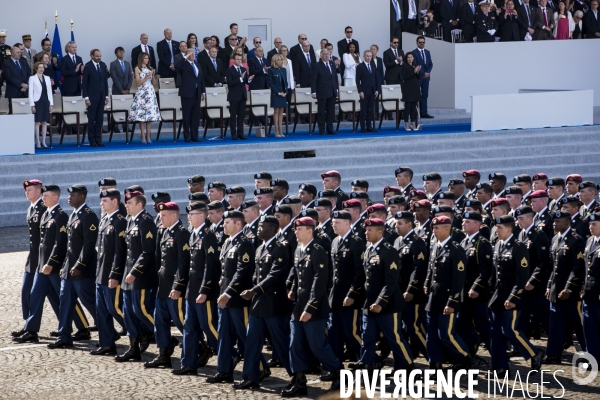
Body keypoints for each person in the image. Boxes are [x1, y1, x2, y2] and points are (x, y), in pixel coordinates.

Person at [282, 217, 343, 396]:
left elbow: (320, 281)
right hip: (298, 306)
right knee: (295, 345)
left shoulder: (317, 251)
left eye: (299, 229)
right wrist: (292, 289)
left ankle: (339, 373)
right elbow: (297, 274)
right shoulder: (299, 249)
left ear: (309, 230)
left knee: (318, 346)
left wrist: (310, 307)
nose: (296, 232)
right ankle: (300, 381)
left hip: (313, 308)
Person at [234, 216, 292, 389]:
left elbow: (275, 275)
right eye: (258, 226)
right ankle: (251, 376)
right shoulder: (259, 249)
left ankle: (297, 377)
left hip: (274, 303)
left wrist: (254, 290)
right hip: (258, 304)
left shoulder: (281, 248)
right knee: (252, 341)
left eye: (262, 226)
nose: (258, 229)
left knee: (281, 344)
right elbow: (256, 274)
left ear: (273, 228)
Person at [488, 215, 544, 376]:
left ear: (509, 229)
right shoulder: (498, 245)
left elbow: (522, 277)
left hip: (512, 298)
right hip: (498, 298)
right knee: (496, 334)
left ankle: (534, 353)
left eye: (500, 228)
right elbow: (494, 274)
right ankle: (500, 367)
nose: (496, 231)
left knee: (509, 330)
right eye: (496, 228)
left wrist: (513, 298)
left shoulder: (519, 247)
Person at [48, 185, 99, 349]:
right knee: (65, 302)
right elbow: (70, 247)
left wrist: (79, 265)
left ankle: (108, 331)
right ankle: (64, 336)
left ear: (82, 197)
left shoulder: (89, 216)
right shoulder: (74, 216)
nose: (69, 198)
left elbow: (89, 245)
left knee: (89, 301)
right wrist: (65, 265)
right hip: (69, 270)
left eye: (73, 195)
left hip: (82, 271)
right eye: (69, 195)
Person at [143, 202, 190, 369]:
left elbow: (183, 264)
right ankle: (164, 353)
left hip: (174, 287)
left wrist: (178, 286)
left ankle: (200, 347)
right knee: (159, 320)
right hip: (162, 286)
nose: (160, 218)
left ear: (174, 216)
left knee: (181, 321)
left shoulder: (182, 234)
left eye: (163, 215)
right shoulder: (163, 232)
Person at [115, 190, 158, 362]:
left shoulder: (146, 222)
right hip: (128, 274)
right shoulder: (130, 221)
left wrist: (134, 272)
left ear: (139, 204)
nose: (126, 205)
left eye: (129, 203)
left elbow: (148, 252)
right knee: (129, 312)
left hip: (141, 276)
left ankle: (163, 336)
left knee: (141, 310)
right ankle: (134, 347)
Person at [544, 211, 586, 364]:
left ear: (568, 222)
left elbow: (578, 267)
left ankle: (589, 354)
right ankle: (553, 355)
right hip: (556, 292)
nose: (554, 224)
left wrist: (569, 288)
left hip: (571, 294)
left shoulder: (576, 240)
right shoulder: (555, 239)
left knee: (579, 326)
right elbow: (553, 267)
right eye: (554, 222)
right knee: (555, 326)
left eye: (558, 222)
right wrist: (549, 286)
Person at [91, 188, 127, 356]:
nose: (101, 203)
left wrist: (115, 274)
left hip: (112, 274)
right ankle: (107, 343)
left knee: (114, 308)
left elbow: (120, 252)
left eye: (105, 201)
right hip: (101, 273)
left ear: (115, 202)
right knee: (101, 311)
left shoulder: (120, 221)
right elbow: (102, 251)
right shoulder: (105, 219)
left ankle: (141, 332)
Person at [129, 52, 161, 144]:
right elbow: (138, 83)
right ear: (141, 59)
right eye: (145, 58)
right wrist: (147, 76)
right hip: (141, 92)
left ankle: (148, 136)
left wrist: (153, 76)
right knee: (141, 115)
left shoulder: (150, 68)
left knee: (149, 116)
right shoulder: (137, 69)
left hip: (150, 92)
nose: (147, 60)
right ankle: (143, 136)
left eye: (148, 58)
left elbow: (154, 84)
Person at [176, 49, 206, 143]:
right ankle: (186, 136)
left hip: (197, 92)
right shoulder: (184, 64)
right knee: (187, 115)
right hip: (187, 93)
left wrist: (203, 92)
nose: (193, 55)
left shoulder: (198, 65)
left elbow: (201, 79)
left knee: (195, 116)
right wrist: (184, 57)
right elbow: (176, 66)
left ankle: (195, 136)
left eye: (194, 53)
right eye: (191, 53)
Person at [82, 49, 109, 147]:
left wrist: (106, 95)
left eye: (100, 56)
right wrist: (86, 98)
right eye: (97, 56)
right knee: (92, 119)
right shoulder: (88, 66)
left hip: (101, 97)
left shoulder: (102, 65)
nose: (99, 58)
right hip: (92, 98)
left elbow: (105, 82)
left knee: (100, 119)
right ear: (92, 56)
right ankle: (92, 140)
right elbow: (84, 83)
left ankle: (98, 139)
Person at [225, 53, 253, 140]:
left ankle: (240, 133)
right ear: (234, 60)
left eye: (240, 60)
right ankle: (233, 134)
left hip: (242, 95)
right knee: (233, 115)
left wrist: (249, 79)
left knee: (241, 116)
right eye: (237, 59)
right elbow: (229, 83)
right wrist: (240, 79)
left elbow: (246, 82)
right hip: (234, 96)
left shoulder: (243, 69)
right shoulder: (230, 70)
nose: (239, 61)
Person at [311, 49, 339, 135]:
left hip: (332, 91)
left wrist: (336, 89)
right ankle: (322, 130)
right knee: (321, 112)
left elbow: (335, 78)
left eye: (328, 54)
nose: (326, 56)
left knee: (330, 112)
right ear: (321, 56)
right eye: (324, 54)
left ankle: (330, 129)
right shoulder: (317, 65)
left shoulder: (332, 64)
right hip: (322, 91)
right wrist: (314, 91)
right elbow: (313, 79)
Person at [28, 61, 53, 149]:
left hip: (45, 100)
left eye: (43, 67)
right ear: (36, 69)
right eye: (40, 67)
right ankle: (37, 141)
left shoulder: (47, 78)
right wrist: (32, 105)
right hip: (37, 101)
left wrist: (51, 104)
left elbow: (49, 92)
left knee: (45, 122)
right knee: (37, 122)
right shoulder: (32, 78)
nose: (42, 69)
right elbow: (30, 92)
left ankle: (43, 141)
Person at [355, 50, 380, 133]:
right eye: (367, 56)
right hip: (364, 91)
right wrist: (360, 91)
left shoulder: (373, 65)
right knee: (363, 110)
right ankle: (363, 127)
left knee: (370, 110)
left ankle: (369, 126)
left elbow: (376, 78)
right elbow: (357, 80)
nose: (369, 57)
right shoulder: (360, 66)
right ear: (364, 56)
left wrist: (377, 89)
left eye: (370, 56)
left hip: (372, 91)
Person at [2, 45, 29, 114]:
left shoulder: (23, 62)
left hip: (25, 92)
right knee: (14, 113)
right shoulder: (7, 64)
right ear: (12, 53)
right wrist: (21, 84)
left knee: (25, 112)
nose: (19, 54)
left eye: (20, 52)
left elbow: (29, 74)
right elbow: (9, 77)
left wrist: (26, 85)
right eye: (17, 52)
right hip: (13, 92)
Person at [400, 52, 422, 131]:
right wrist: (414, 71)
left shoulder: (415, 65)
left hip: (415, 88)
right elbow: (405, 77)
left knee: (413, 107)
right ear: (406, 58)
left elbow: (419, 77)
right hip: (407, 88)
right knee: (408, 107)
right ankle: (406, 123)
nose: (410, 59)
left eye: (411, 57)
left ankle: (413, 123)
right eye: (408, 57)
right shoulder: (404, 66)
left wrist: (418, 71)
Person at [413, 36, 433, 119]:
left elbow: (430, 64)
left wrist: (427, 72)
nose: (422, 44)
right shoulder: (413, 52)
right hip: (418, 77)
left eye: (423, 42)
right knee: (416, 95)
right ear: (417, 43)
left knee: (425, 95)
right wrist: (423, 73)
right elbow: (415, 64)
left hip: (426, 78)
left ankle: (424, 113)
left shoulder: (427, 52)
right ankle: (414, 113)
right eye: (420, 42)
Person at [268, 54, 288, 138]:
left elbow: (285, 82)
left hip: (283, 93)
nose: (280, 62)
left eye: (281, 60)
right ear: (275, 61)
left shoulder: (283, 70)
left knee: (281, 111)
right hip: (275, 93)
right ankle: (276, 129)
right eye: (278, 60)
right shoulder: (271, 70)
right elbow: (271, 83)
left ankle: (281, 129)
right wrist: (278, 93)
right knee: (276, 111)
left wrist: (286, 92)